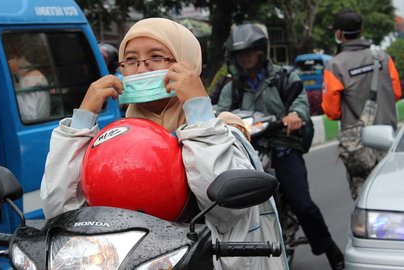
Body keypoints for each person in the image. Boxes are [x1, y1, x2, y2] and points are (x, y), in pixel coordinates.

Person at [40, 18, 285, 270]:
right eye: (131, 60)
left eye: (156, 57)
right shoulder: (111, 141)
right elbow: (61, 212)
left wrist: (198, 111)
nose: (141, 69)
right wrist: (82, 119)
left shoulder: (221, 129)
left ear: (187, 64)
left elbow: (227, 212)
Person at [214, 23, 345, 270]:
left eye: (250, 51)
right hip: (248, 150)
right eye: (240, 53)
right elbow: (219, 110)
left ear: (262, 51)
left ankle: (331, 251)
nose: (245, 57)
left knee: (303, 205)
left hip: (283, 146)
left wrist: (295, 113)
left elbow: (301, 103)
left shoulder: (285, 77)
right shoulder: (232, 86)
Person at [322, 9, 402, 200]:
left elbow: (332, 112)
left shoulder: (335, 65)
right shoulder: (383, 57)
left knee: (366, 199)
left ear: (339, 34)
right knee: (393, 196)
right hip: (387, 141)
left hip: (358, 147)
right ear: (362, 29)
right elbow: (397, 93)